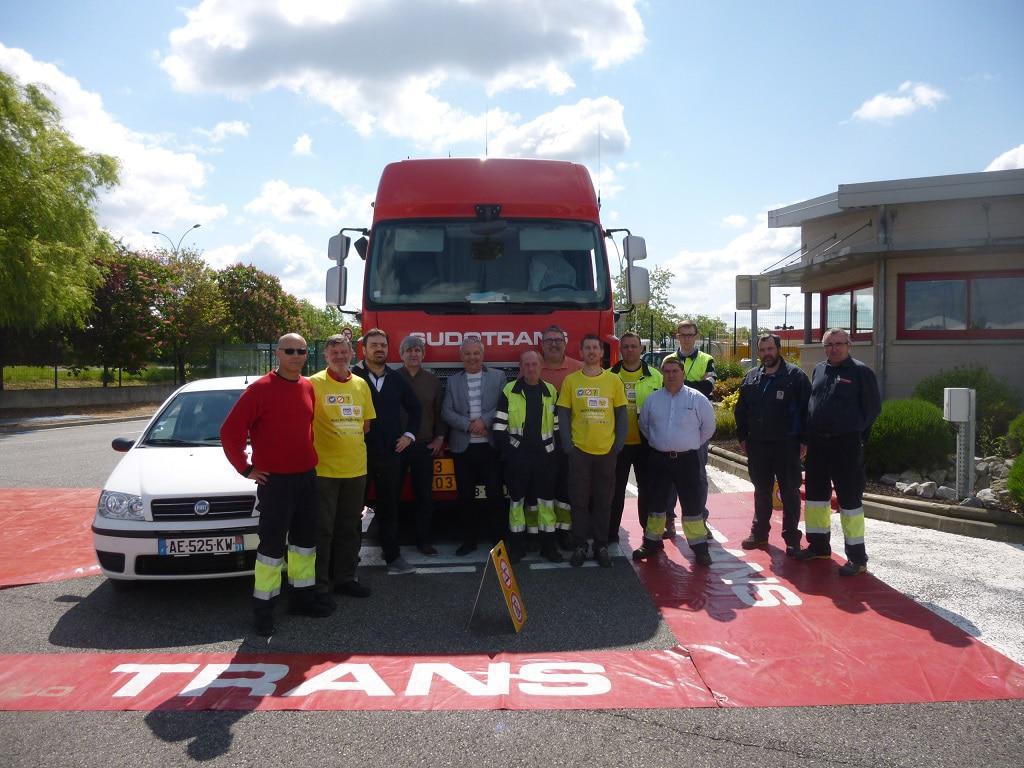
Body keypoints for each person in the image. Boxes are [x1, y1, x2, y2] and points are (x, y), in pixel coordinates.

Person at [220, 332, 334, 636]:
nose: (296, 356)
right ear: (278, 354)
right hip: (276, 483)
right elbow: (230, 431)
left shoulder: (307, 386)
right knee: (271, 548)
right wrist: (245, 469)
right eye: (290, 350)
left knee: (304, 545)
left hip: (306, 478)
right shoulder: (259, 390)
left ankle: (302, 599)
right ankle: (264, 609)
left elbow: (306, 430)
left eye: (301, 351)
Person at [798, 328, 882, 576]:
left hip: (846, 446)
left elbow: (872, 409)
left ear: (849, 345)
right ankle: (818, 546)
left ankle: (857, 558)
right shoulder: (819, 370)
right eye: (828, 344)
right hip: (818, 445)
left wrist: (855, 434)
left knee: (849, 501)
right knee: (815, 499)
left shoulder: (861, 372)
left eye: (838, 344)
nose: (833, 348)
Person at [309, 334, 376, 600]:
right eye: (334, 352)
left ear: (351, 354)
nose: (339, 356)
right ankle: (320, 584)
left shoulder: (360, 384)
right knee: (322, 530)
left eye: (343, 352)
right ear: (326, 356)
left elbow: (366, 425)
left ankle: (346, 578)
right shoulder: (313, 383)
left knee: (349, 528)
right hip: (323, 471)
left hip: (356, 469)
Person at [734, 333, 811, 557]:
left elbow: (807, 411)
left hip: (786, 445)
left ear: (778, 349)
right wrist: (742, 437)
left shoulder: (795, 377)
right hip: (758, 445)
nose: (766, 354)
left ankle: (792, 539)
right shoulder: (751, 377)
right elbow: (741, 410)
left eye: (770, 349)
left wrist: (804, 440)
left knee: (789, 492)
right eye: (762, 350)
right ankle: (759, 533)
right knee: (761, 490)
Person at [352, 328, 421, 575]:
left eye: (383, 345)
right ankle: (349, 560)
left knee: (390, 507)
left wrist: (409, 436)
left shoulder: (396, 379)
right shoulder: (352, 377)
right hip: (358, 455)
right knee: (353, 509)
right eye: (374, 345)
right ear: (364, 349)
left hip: (391, 454)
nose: (379, 349)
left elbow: (416, 409)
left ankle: (393, 556)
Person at [635, 357, 717, 565]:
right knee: (656, 503)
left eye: (675, 371)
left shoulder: (697, 399)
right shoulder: (652, 400)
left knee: (692, 504)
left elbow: (708, 428)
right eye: (667, 371)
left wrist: (688, 444)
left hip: (687, 460)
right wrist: (662, 443)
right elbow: (644, 426)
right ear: (662, 374)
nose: (671, 375)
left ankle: (699, 548)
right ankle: (652, 542)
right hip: (659, 459)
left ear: (683, 374)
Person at [556, 334, 628, 568]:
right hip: (579, 451)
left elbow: (621, 415)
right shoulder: (571, 381)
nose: (591, 351)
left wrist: (617, 446)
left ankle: (601, 545)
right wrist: (568, 446)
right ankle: (580, 545)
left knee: (603, 501)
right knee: (578, 500)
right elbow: (563, 414)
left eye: (595, 348)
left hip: (606, 451)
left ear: (602, 353)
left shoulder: (614, 381)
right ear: (581, 352)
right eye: (587, 348)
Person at [493, 349, 562, 563]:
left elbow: (558, 428)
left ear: (541, 367)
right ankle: (517, 548)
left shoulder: (551, 391)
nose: (531, 368)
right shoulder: (509, 390)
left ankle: (548, 547)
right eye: (527, 365)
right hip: (518, 458)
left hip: (544, 458)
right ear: (521, 368)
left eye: (534, 364)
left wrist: (554, 455)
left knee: (546, 503)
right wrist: (511, 454)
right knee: (517, 503)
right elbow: (498, 427)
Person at [441, 336, 507, 555]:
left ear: (483, 355)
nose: (472, 357)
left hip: (490, 446)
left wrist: (484, 421)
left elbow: (503, 404)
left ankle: (498, 539)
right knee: (465, 496)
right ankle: (469, 541)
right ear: (461, 356)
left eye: (476, 353)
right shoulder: (453, 381)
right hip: (463, 447)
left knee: (495, 495)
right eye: (467, 354)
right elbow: (446, 411)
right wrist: (469, 426)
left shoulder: (498, 377)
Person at [662, 319, 717, 538]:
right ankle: (668, 520)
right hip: (672, 425)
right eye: (682, 334)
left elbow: (709, 386)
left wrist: (680, 385)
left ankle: (700, 518)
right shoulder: (668, 360)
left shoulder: (706, 359)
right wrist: (695, 384)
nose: (686, 338)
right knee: (669, 476)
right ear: (677, 336)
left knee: (699, 475)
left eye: (690, 334)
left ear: (696, 336)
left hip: (697, 426)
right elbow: (665, 386)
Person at [608, 332, 663, 542]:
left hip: (647, 444)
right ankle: (611, 534)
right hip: (617, 444)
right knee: (615, 491)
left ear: (641, 349)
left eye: (634, 346)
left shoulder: (656, 377)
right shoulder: (608, 376)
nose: (630, 350)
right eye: (626, 346)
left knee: (647, 491)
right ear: (620, 349)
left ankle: (649, 536)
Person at [396, 335, 447, 555]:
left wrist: (440, 438)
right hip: (396, 446)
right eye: (409, 350)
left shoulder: (432, 381)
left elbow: (440, 412)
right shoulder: (392, 378)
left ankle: (423, 541)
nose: (413, 354)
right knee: (392, 495)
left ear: (423, 354)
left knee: (424, 496)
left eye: (417, 350)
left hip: (424, 445)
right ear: (402, 355)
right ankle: (392, 542)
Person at [538, 325, 583, 547]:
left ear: (565, 344)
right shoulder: (533, 367)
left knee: (566, 488)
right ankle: (544, 532)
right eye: (549, 341)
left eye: (557, 340)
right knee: (544, 487)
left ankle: (565, 531)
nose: (553, 344)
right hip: (540, 441)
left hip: (570, 440)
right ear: (542, 345)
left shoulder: (578, 369)